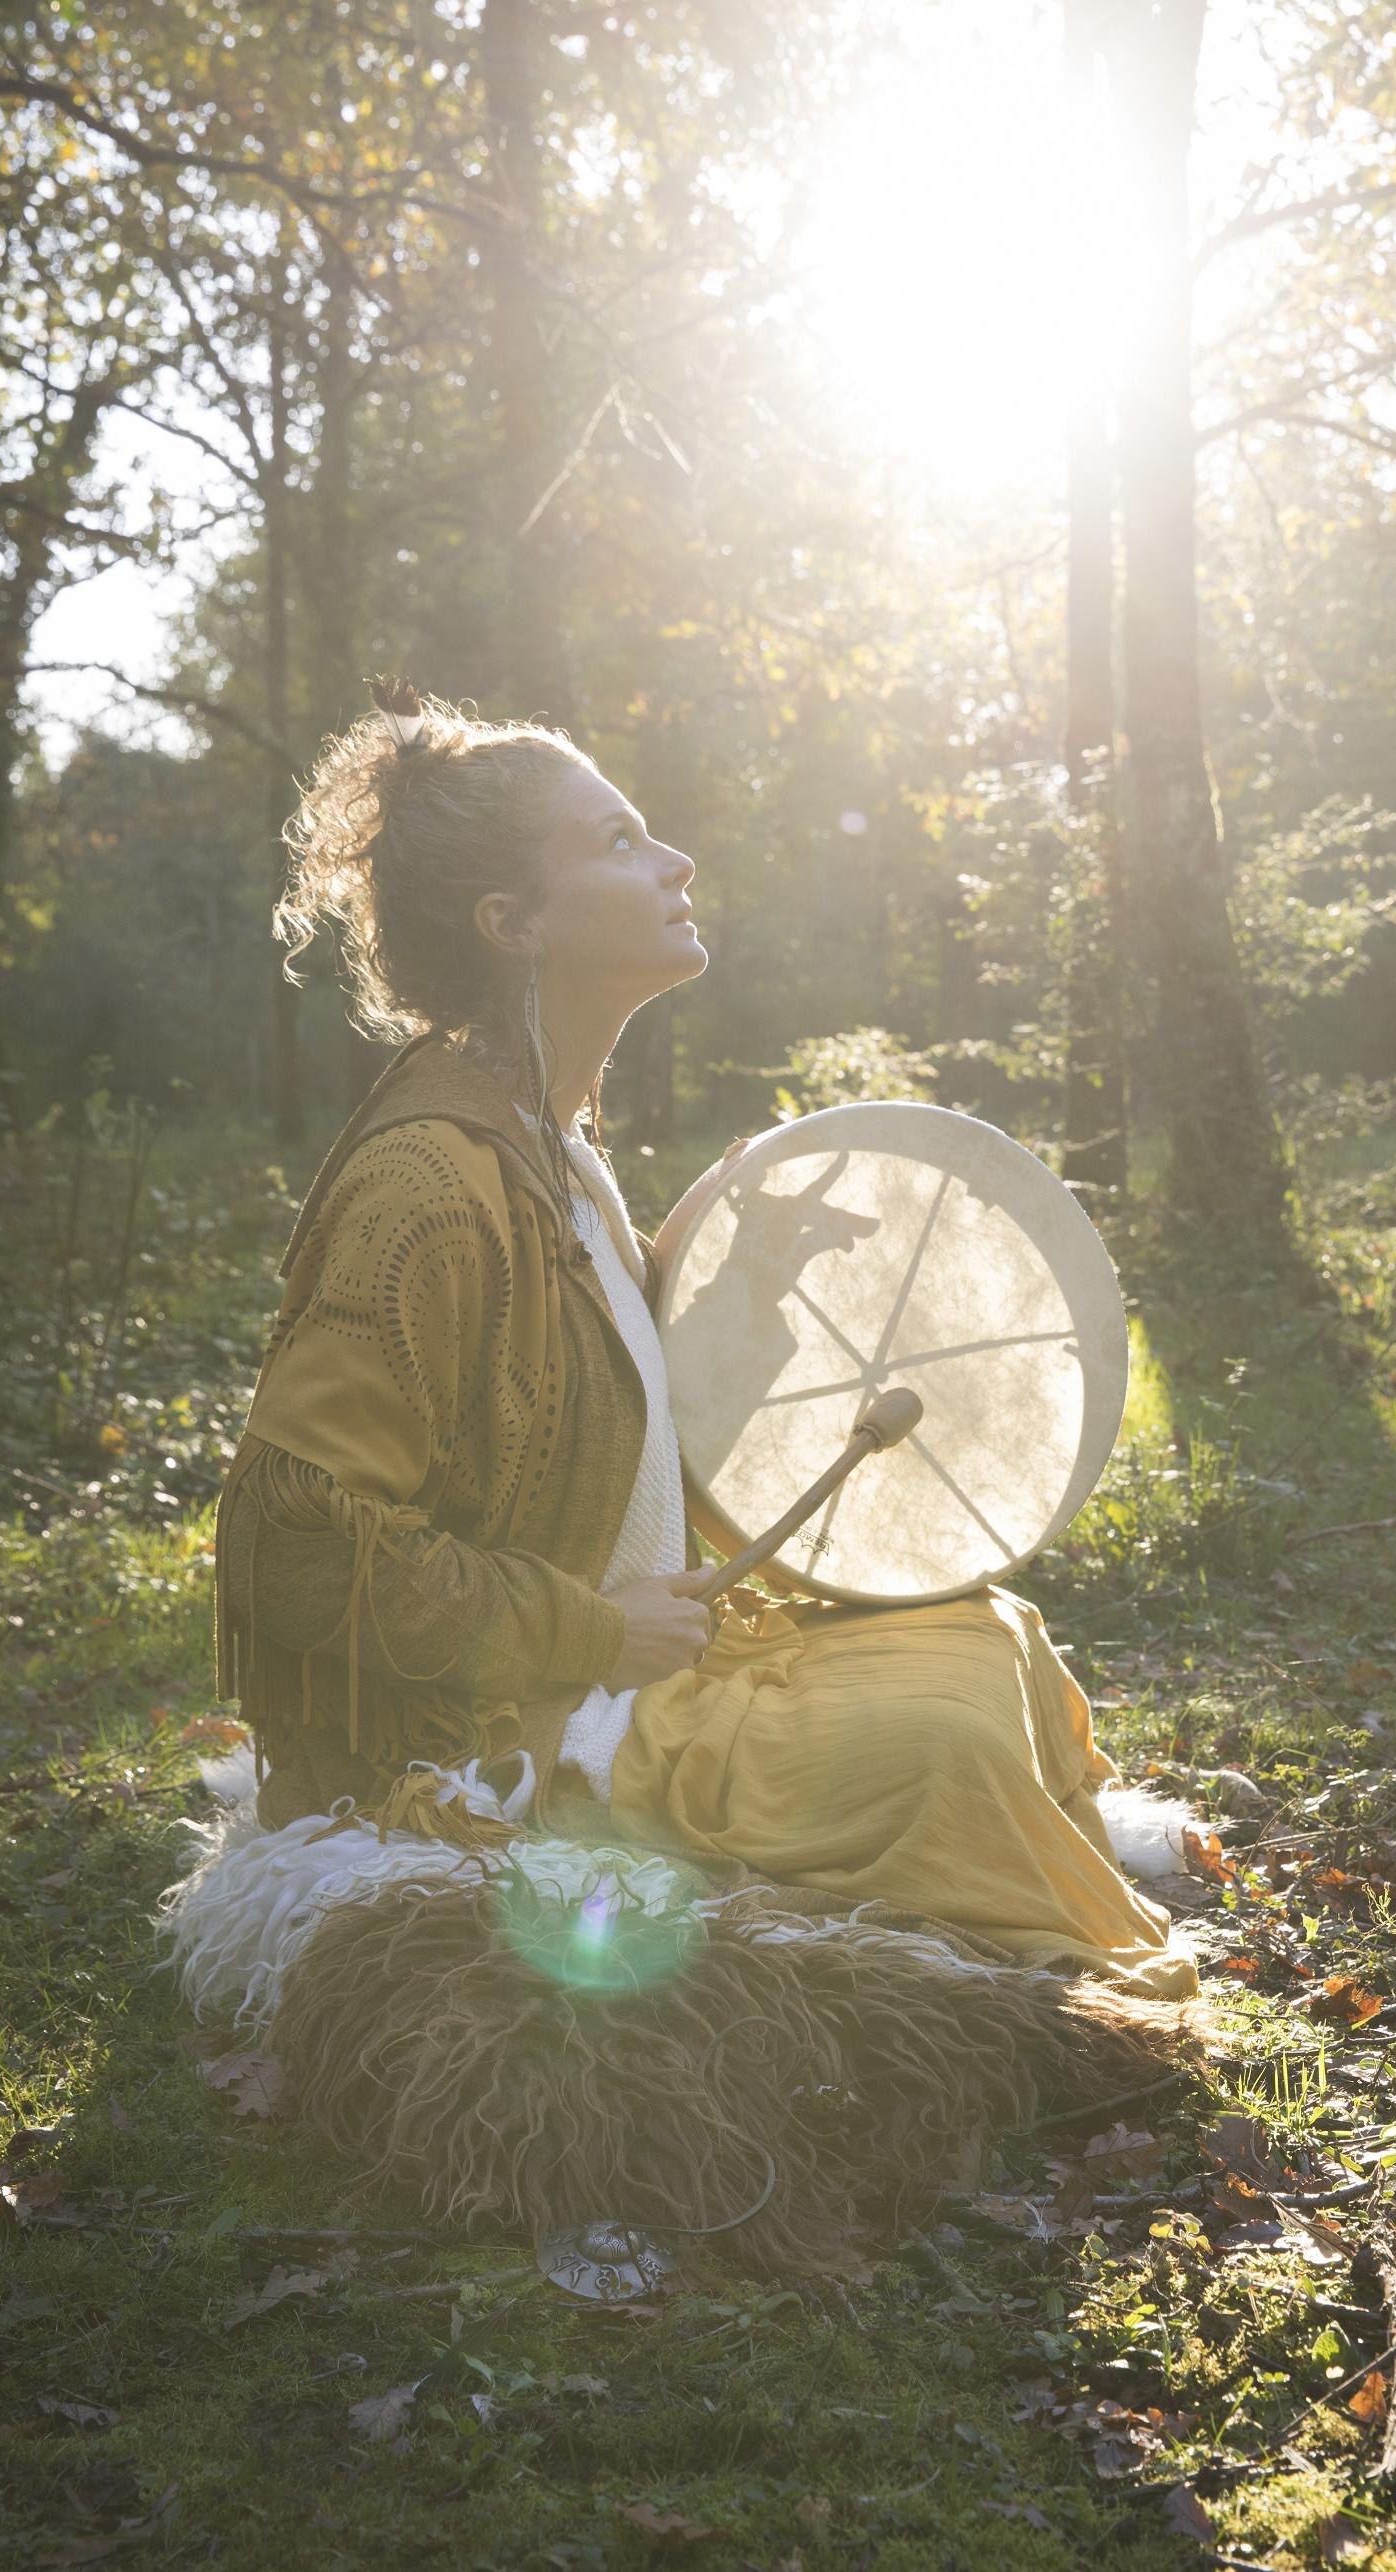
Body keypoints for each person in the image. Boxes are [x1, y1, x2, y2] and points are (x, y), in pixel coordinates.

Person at [211, 683, 1196, 2000]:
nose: (674, 860)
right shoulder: (428, 1188)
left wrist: (737, 1291)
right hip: (494, 1745)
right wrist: (587, 1633)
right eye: (616, 844)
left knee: (987, 1639)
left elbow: (590, 1429)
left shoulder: (549, 1142)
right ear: (514, 925)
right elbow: (294, 1545)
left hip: (621, 1676)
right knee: (942, 1743)